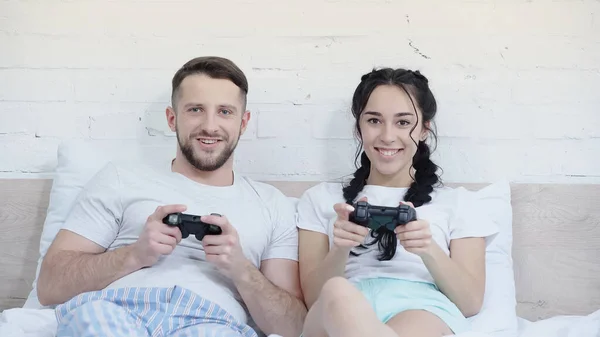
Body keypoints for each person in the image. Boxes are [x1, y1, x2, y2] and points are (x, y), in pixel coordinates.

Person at [37, 56, 307, 337]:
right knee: (93, 318)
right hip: (115, 311)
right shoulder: (119, 179)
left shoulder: (272, 205)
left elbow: (295, 326)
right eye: (195, 109)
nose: (210, 126)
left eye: (225, 112)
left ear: (244, 122)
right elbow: (49, 286)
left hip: (212, 323)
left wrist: (241, 269)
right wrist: (135, 255)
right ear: (171, 118)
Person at [296, 68, 499, 337]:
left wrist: (428, 249)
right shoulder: (320, 198)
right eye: (374, 121)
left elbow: (470, 302)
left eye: (403, 122)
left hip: (421, 308)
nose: (388, 136)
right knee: (336, 291)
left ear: (425, 129)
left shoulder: (459, 203)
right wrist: (341, 249)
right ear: (359, 128)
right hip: (337, 309)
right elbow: (313, 299)